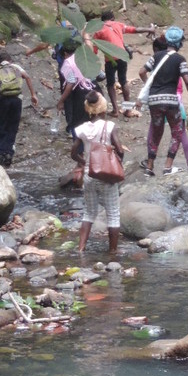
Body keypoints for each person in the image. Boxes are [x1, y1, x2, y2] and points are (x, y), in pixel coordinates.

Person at [140, 27, 188, 176]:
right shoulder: (180, 59)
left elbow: (142, 72)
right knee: (177, 131)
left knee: (156, 133)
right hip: (170, 101)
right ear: (180, 43)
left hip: (154, 100)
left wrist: (150, 85)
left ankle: (149, 167)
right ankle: (167, 167)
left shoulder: (156, 56)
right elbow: (187, 80)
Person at [71, 91, 124, 257]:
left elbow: (73, 153)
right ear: (103, 107)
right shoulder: (110, 126)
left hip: (89, 175)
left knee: (89, 213)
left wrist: (84, 163)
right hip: (106, 175)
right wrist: (117, 161)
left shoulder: (81, 129)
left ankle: (81, 249)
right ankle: (113, 251)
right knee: (113, 213)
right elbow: (120, 150)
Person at [0, 52, 38, 167]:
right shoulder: (16, 67)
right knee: (13, 125)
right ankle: (9, 153)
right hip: (17, 99)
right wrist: (33, 95)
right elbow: (27, 77)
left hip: (2, 100)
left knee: (2, 124)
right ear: (10, 60)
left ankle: (0, 152)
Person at [93, 10, 155, 117]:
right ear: (112, 18)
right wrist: (149, 29)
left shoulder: (98, 30)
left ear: (102, 20)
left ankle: (115, 111)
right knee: (123, 82)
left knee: (110, 84)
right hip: (122, 56)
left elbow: (94, 50)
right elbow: (134, 30)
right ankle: (128, 110)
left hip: (110, 60)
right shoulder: (118, 24)